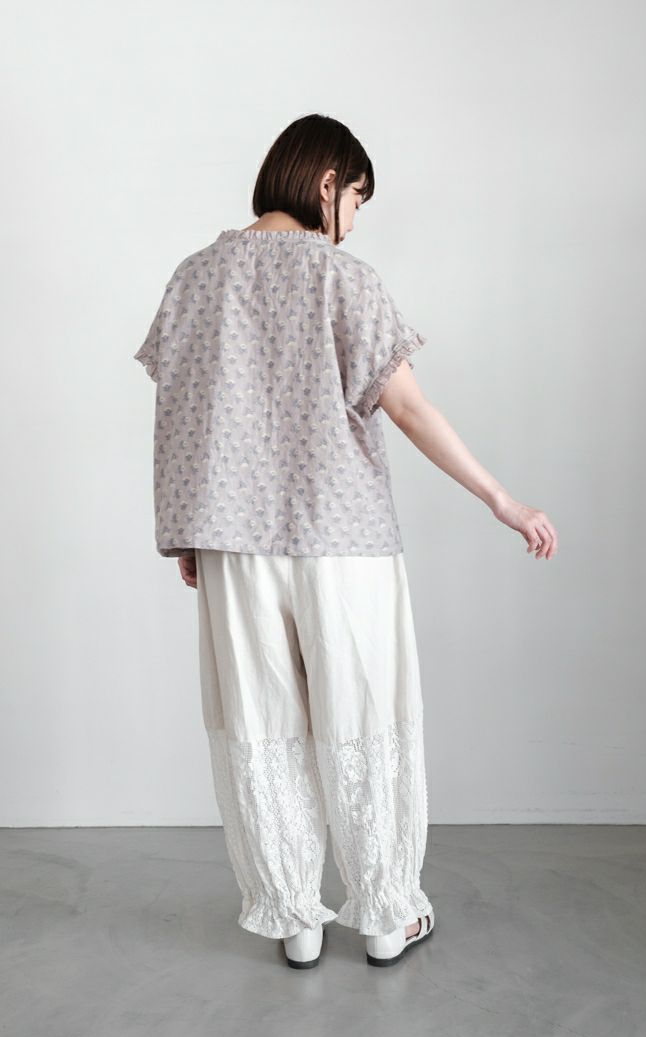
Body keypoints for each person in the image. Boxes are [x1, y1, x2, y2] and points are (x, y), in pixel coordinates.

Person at [133, 113, 558, 969]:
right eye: (357, 198)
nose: (354, 221)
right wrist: (501, 500)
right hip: (343, 537)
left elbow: (178, 416)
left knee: (263, 723)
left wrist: (185, 535)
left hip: (233, 545)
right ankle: (386, 916)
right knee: (363, 718)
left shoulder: (193, 279)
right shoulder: (342, 278)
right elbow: (410, 409)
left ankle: (295, 919)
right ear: (327, 182)